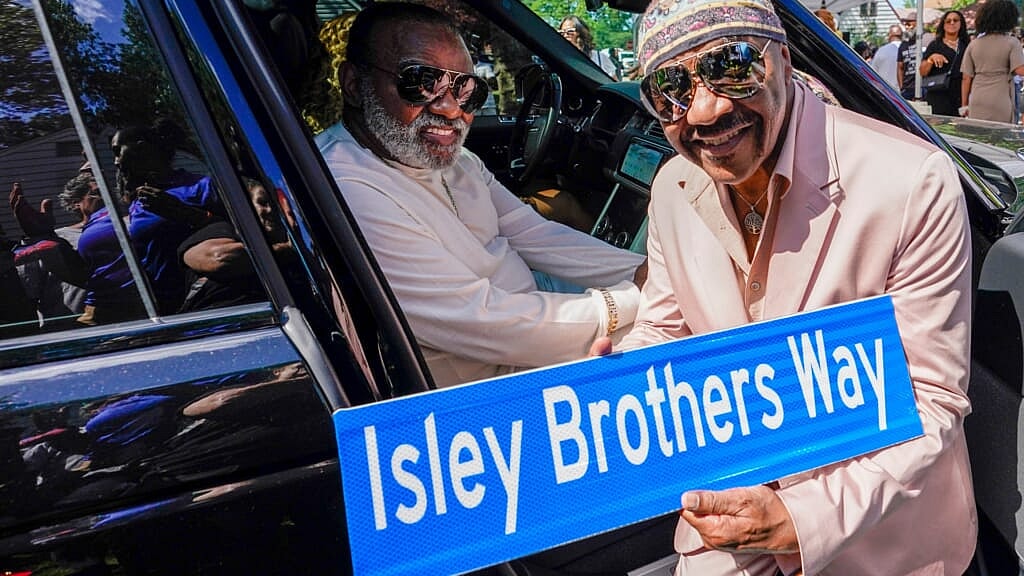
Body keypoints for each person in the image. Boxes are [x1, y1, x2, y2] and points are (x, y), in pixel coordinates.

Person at [607, 0, 975, 572]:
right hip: (725, 521)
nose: (703, 111)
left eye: (731, 65)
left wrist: (798, 520)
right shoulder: (674, 185)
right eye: (671, 88)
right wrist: (620, 380)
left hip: (878, 542)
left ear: (782, 57)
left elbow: (931, 400)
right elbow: (664, 327)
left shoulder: (910, 181)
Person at [315, 3, 646, 388]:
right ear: (355, 84)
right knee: (678, 332)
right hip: (492, 374)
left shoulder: (453, 161)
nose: (451, 109)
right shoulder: (348, 186)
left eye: (466, 89)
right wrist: (637, 298)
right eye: (421, 81)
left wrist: (641, 269)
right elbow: (487, 321)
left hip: (528, 309)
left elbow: (536, 235)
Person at [961, 0, 1024, 122]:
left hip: (977, 97)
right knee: (1001, 136)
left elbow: (966, 78)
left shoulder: (974, 44)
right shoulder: (1012, 42)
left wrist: (964, 105)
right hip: (1000, 96)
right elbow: (1020, 70)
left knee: (979, 137)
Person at [918, 11, 969, 116]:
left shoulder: (966, 45)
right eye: (948, 21)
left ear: (961, 23)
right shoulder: (935, 45)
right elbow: (922, 72)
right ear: (943, 24)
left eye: (955, 20)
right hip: (938, 96)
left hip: (959, 96)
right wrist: (931, 59)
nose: (952, 23)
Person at [870, 24, 904, 89]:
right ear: (902, 36)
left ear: (889, 35)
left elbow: (873, 72)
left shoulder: (881, 51)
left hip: (886, 92)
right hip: (903, 93)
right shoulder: (906, 50)